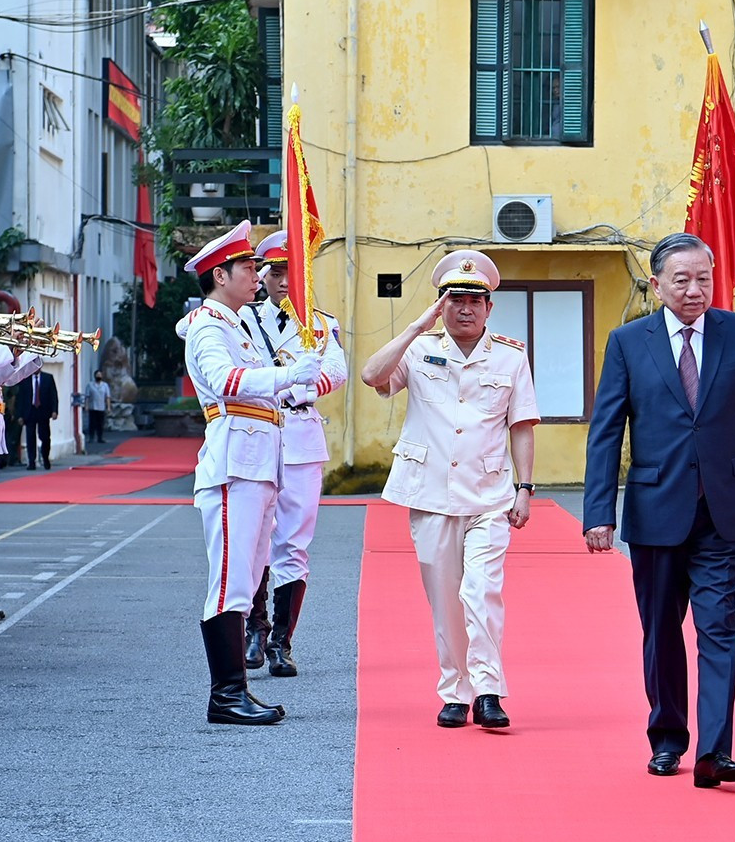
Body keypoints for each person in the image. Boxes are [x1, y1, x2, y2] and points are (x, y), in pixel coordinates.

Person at [582, 232, 735, 787]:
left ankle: (715, 751)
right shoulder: (628, 341)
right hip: (655, 510)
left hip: (722, 511)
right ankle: (668, 736)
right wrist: (599, 510)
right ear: (658, 284)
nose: (695, 291)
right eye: (682, 280)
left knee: (719, 627)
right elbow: (606, 432)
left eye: (703, 279)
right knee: (661, 632)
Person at [362, 249, 537, 730]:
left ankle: (487, 691)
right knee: (445, 599)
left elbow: (521, 425)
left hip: (489, 493)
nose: (464, 307)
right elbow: (372, 376)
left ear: (489, 307)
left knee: (481, 593)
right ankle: (454, 691)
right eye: (454, 299)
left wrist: (525, 487)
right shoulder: (416, 351)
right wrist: (416, 327)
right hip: (430, 493)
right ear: (441, 305)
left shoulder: (511, 355)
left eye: (474, 300)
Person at [181, 221, 321, 726]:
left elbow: (271, 391)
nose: (257, 275)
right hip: (233, 465)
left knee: (246, 576)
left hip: (261, 464)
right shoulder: (209, 324)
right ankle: (225, 695)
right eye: (247, 267)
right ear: (221, 275)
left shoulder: (242, 324)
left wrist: (299, 379)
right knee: (230, 583)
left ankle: (236, 690)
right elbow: (222, 380)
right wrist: (287, 374)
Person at [239, 231, 350, 678]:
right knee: (255, 539)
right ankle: (254, 628)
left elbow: (337, 371)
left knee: (294, 544)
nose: (286, 281)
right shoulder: (241, 321)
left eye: (293, 271)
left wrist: (301, 385)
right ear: (263, 274)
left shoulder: (320, 323)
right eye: (277, 271)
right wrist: (288, 379)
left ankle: (282, 641)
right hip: (259, 430)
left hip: (301, 433)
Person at [17, 362, 58, 469]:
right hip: (30, 412)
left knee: (44, 437)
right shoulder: (25, 379)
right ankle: (31, 461)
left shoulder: (48, 378)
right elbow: (21, 397)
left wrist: (54, 411)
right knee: (30, 437)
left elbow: (53, 395)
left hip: (43, 411)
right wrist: (20, 415)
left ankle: (45, 458)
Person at [85, 370, 111, 449]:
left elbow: (107, 397)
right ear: (95, 376)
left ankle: (100, 437)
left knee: (100, 423)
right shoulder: (90, 385)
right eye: (97, 375)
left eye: (100, 375)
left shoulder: (105, 385)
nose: (99, 376)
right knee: (92, 423)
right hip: (93, 407)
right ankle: (91, 437)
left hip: (101, 407)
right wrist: (86, 405)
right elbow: (87, 396)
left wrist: (108, 406)